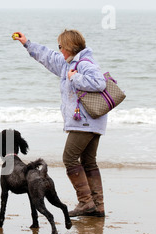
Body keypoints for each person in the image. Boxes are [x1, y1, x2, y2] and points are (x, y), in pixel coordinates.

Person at [14, 29, 106, 217]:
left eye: (61, 47)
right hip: (91, 122)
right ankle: (98, 206)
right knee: (88, 162)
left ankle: (86, 202)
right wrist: (27, 43)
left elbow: (99, 83)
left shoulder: (85, 64)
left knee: (69, 158)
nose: (60, 50)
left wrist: (75, 78)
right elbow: (48, 56)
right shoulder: (67, 63)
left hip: (85, 122)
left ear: (70, 47)